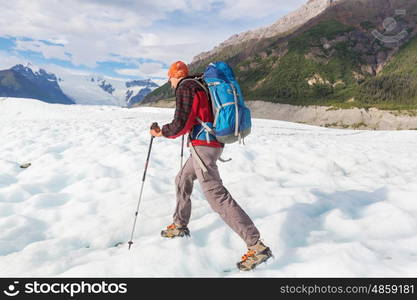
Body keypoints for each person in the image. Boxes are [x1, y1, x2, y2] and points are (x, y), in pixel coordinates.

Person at [150, 61, 272, 271]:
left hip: (204, 146)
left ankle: (256, 246)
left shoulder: (186, 87)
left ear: (173, 76)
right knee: (182, 179)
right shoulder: (199, 83)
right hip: (210, 143)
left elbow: (182, 123)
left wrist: (162, 132)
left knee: (217, 197)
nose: (170, 82)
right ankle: (180, 225)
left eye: (169, 78)